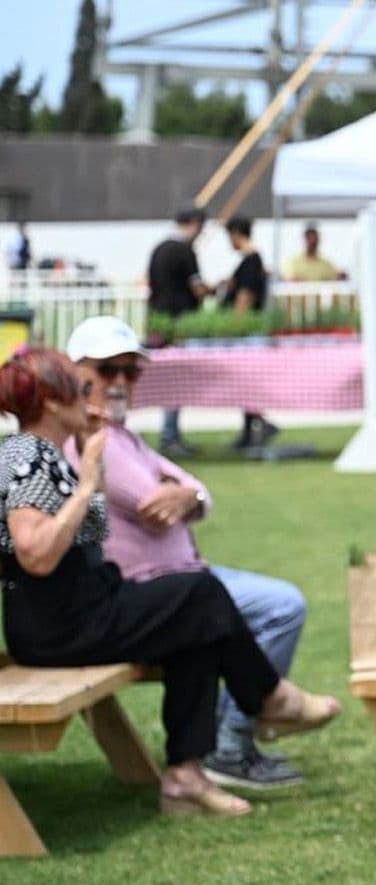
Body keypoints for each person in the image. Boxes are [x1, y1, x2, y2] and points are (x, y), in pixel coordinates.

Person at [0, 348, 338, 817]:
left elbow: (88, 539)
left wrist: (93, 464)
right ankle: (268, 698)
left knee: (197, 627)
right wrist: (85, 486)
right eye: (82, 389)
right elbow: (36, 554)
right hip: (60, 627)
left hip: (84, 609)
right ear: (54, 403)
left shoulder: (49, 453)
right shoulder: (27, 456)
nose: (93, 397)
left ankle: (185, 778)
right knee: (199, 593)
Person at [63, 316, 322, 791]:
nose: (120, 381)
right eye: (108, 369)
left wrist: (189, 496)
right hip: (148, 586)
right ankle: (240, 732)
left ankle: (219, 749)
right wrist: (183, 495)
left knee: (230, 606)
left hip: (177, 578)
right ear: (75, 371)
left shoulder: (123, 437)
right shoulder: (96, 441)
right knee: (277, 606)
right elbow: (151, 503)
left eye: (131, 371)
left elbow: (197, 492)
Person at [147, 207, 212, 458]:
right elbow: (197, 288)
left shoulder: (159, 249)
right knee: (176, 381)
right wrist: (215, 290)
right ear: (195, 223)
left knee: (166, 379)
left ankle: (169, 433)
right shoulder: (186, 251)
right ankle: (170, 434)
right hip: (180, 323)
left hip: (159, 322)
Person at [220, 217, 277, 451]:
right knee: (245, 384)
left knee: (246, 382)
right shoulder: (252, 261)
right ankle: (250, 429)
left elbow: (246, 296)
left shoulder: (251, 261)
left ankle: (259, 425)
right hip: (248, 330)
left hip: (246, 332)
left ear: (235, 234)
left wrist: (235, 323)